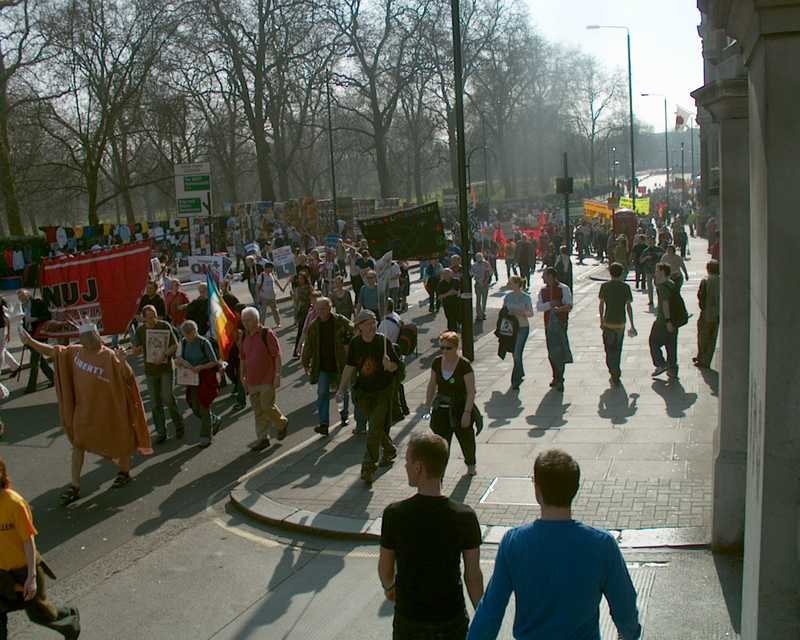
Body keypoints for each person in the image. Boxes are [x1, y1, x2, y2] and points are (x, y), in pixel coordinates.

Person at [466, 449, 641, 640]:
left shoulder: (514, 543)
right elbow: (625, 605)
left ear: (537, 490)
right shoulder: (602, 545)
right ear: (575, 489)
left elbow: (490, 611)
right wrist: (628, 634)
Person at [20, 323, 151, 504]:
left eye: (91, 336)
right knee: (78, 445)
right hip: (84, 413)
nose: (88, 340)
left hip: (109, 410)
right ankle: (75, 486)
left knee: (120, 440)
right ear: (81, 339)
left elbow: (127, 377)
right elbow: (53, 352)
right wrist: (30, 341)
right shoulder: (75, 351)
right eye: (85, 337)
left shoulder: (110, 355)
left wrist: (124, 362)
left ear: (97, 336)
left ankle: (124, 472)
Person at [379, 432, 484, 640]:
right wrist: (483, 619)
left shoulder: (395, 514)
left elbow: (385, 569)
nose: (405, 466)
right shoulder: (465, 516)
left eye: (407, 461)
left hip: (410, 620)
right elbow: (473, 576)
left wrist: (390, 588)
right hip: (450, 619)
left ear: (419, 467)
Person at [0, 458, 82, 639]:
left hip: (23, 570)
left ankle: (69, 620)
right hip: (1, 574)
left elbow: (28, 541)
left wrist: (31, 577)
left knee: (41, 614)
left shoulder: (14, 503)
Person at [335, 310, 401, 485]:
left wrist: (390, 365)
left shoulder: (383, 341)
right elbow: (349, 367)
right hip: (363, 393)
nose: (371, 326)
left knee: (373, 429)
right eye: (367, 323)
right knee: (376, 427)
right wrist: (341, 389)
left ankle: (368, 467)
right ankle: (389, 449)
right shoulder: (355, 344)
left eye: (373, 322)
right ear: (359, 327)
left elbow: (398, 367)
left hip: (382, 392)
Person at [424, 331, 477, 476]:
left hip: (460, 408)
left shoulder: (464, 365)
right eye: (442, 348)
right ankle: (438, 476)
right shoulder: (436, 362)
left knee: (466, 441)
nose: (445, 351)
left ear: (456, 347)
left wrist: (467, 413)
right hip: (441, 410)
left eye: (448, 348)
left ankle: (471, 465)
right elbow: (432, 384)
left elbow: (471, 392)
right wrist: (427, 404)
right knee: (440, 446)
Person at [132, 305, 183, 444]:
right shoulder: (140, 331)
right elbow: (135, 351)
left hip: (166, 368)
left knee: (167, 397)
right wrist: (136, 350)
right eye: (149, 317)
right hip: (150, 371)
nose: (152, 319)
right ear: (143, 318)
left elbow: (175, 345)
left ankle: (179, 425)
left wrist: (164, 355)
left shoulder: (164, 325)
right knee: (155, 403)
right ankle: (161, 432)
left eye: (153, 315)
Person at [302, 297, 354, 436]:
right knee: (322, 393)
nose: (320, 312)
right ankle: (324, 424)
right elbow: (308, 346)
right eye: (318, 309)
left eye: (323, 308)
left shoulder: (340, 321)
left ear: (330, 308)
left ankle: (344, 416)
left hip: (339, 364)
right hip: (322, 366)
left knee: (342, 392)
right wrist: (305, 362)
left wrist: (348, 344)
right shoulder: (314, 326)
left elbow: (353, 330)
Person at [239, 307, 288, 451]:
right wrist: (242, 376)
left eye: (248, 320)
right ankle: (262, 438)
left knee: (267, 406)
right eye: (243, 321)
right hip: (252, 381)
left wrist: (277, 375)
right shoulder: (243, 336)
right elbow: (242, 358)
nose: (245, 323)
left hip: (267, 378)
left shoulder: (267, 334)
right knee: (258, 410)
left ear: (256, 320)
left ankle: (282, 423)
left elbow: (277, 355)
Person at [175, 320, 221, 448]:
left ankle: (206, 436)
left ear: (195, 331)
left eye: (190, 334)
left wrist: (201, 367)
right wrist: (180, 362)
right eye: (186, 335)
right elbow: (178, 358)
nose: (188, 337)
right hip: (191, 379)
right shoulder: (183, 342)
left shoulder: (203, 342)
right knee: (194, 406)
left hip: (205, 378)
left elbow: (214, 362)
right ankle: (214, 420)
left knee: (204, 406)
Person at [599, 263, 637, 385]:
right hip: (620, 322)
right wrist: (632, 324)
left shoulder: (604, 286)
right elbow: (629, 306)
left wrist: (601, 320)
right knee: (618, 348)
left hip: (608, 322)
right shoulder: (625, 287)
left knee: (608, 349)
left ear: (610, 272)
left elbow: (601, 304)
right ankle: (616, 371)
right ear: (621, 273)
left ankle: (613, 370)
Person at [536, 267, 573, 392]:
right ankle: (556, 376)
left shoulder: (564, 288)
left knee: (559, 349)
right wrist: (550, 304)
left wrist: (559, 309)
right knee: (551, 351)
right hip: (548, 324)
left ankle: (559, 378)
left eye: (544, 275)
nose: (542, 278)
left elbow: (569, 305)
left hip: (561, 323)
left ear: (551, 276)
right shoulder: (543, 290)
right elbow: (539, 307)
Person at [17, 289, 54, 394]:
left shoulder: (38, 303)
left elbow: (47, 315)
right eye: (20, 297)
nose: (21, 298)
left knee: (34, 362)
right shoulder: (21, 307)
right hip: (29, 335)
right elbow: (21, 320)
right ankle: (55, 379)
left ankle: (31, 387)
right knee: (41, 361)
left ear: (28, 295)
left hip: (39, 335)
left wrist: (35, 319)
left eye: (23, 296)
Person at [502, 276, 533, 390]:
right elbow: (503, 311)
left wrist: (520, 311)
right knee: (515, 353)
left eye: (511, 283)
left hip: (522, 327)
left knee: (517, 354)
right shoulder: (508, 296)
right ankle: (520, 373)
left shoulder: (526, 297)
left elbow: (531, 313)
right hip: (511, 329)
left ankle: (515, 380)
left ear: (517, 284)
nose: (509, 285)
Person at [649, 263, 680, 380]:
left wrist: (667, 321)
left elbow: (665, 304)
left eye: (657, 271)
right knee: (671, 345)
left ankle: (661, 364)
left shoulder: (663, 288)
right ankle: (673, 371)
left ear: (662, 272)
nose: (655, 273)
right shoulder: (671, 284)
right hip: (675, 320)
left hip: (663, 321)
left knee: (653, 341)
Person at [694, 259, 720, 369]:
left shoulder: (705, 280)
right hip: (717, 313)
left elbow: (700, 296)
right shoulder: (721, 281)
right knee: (712, 338)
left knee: (702, 336)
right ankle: (706, 359)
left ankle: (701, 358)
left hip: (706, 312)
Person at [255, 262, 286, 328]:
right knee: (263, 312)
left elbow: (276, 281)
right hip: (264, 297)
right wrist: (258, 297)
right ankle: (261, 325)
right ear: (266, 268)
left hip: (272, 296)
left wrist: (281, 288)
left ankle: (278, 323)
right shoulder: (261, 276)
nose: (271, 270)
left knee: (275, 310)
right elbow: (257, 287)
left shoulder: (272, 274)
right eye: (270, 268)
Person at [639, 236, 664, 307]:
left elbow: (664, 258)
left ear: (654, 242)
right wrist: (646, 258)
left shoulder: (659, 249)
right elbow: (641, 261)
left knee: (659, 286)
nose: (650, 243)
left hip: (658, 271)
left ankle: (660, 300)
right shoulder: (645, 251)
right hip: (648, 270)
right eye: (649, 242)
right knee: (650, 287)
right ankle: (651, 300)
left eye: (651, 241)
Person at [291, 271, 312, 358]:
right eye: (298, 279)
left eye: (301, 278)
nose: (300, 280)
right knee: (301, 331)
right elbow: (296, 302)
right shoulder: (297, 288)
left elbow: (311, 297)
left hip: (309, 310)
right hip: (302, 311)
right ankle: (296, 350)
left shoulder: (308, 287)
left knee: (310, 331)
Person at [437, 268, 462, 332]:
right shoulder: (441, 284)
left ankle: (458, 326)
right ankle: (452, 333)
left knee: (459, 317)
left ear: (451, 274)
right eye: (444, 274)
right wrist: (448, 293)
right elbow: (439, 297)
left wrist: (456, 292)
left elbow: (461, 291)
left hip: (457, 303)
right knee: (450, 319)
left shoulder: (456, 281)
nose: (446, 275)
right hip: (447, 304)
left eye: (448, 273)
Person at [471, 253, 492, 321]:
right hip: (478, 283)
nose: (478, 258)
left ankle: (483, 313)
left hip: (485, 283)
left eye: (480, 257)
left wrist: (486, 281)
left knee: (484, 299)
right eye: (477, 257)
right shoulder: (474, 265)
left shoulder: (486, 263)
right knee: (478, 299)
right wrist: (476, 275)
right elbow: (471, 273)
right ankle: (478, 314)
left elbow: (490, 272)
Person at [0, 295, 19, 374]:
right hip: (2, 330)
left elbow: (8, 320)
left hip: (1, 330)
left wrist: (9, 333)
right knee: (2, 350)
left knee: (1, 350)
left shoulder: (2, 308)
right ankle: (15, 366)